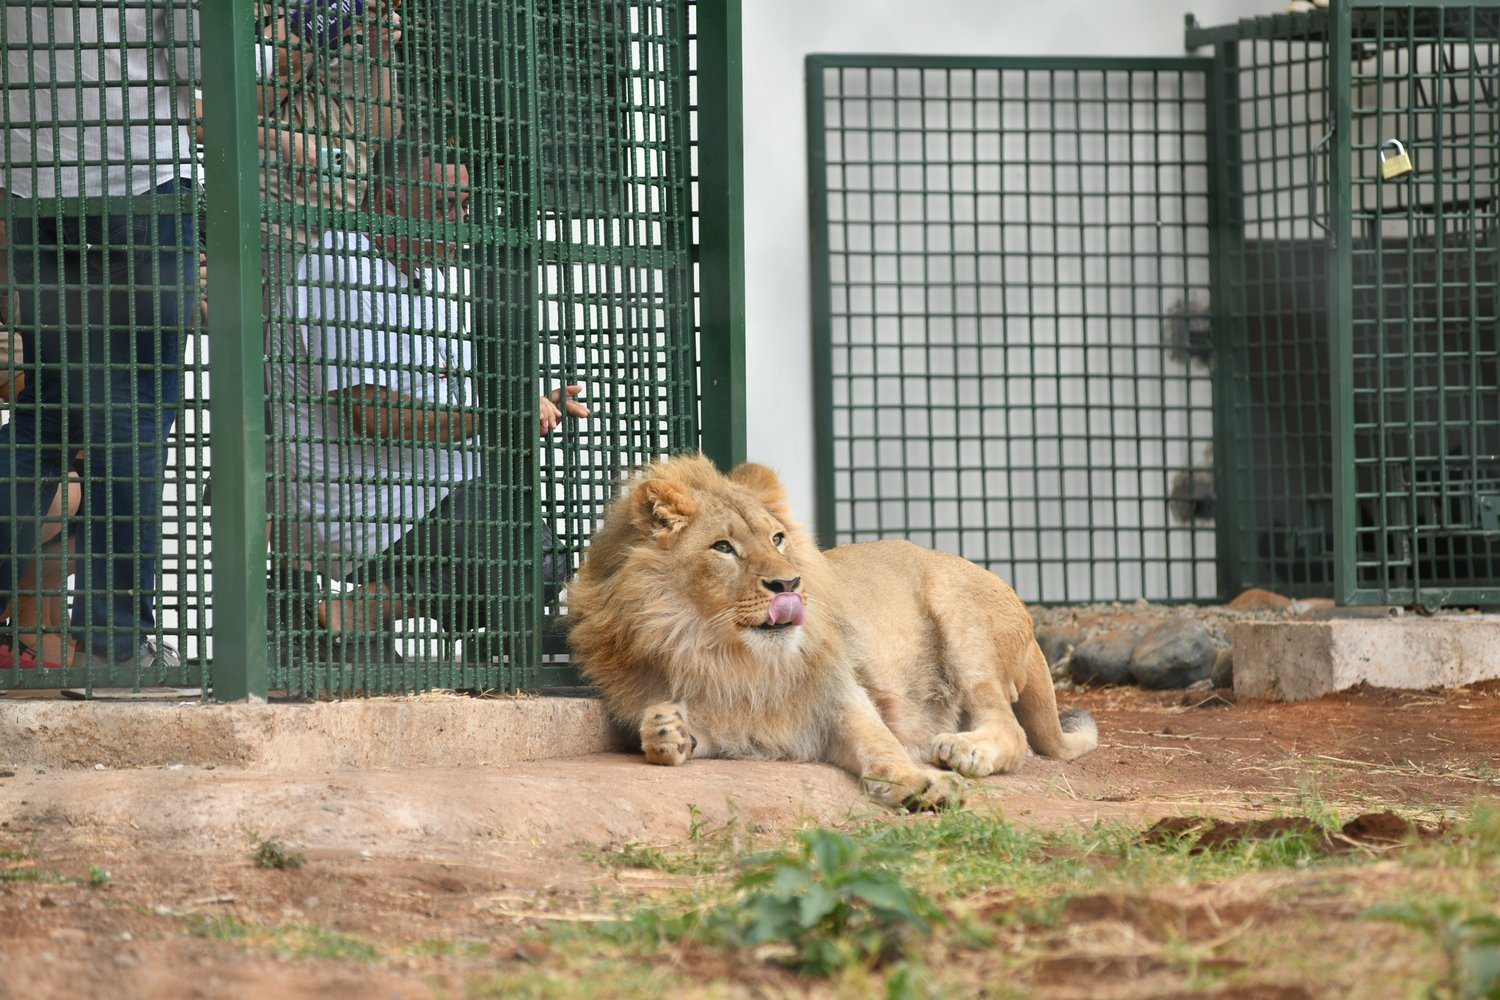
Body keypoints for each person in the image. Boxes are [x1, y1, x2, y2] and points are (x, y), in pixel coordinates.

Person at [268, 136, 588, 658]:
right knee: (532, 558)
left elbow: (458, 393)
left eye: (465, 206)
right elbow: (369, 413)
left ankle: (354, 618)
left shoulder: (428, 274)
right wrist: (497, 416)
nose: (461, 220)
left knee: (543, 554)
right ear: (390, 202)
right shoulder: (342, 266)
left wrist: (529, 402)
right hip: (363, 502)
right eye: (445, 206)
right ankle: (351, 616)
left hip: (427, 490)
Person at [0, 2, 201, 671]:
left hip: (34, 189)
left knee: (44, 417)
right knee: (136, 413)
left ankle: (109, 639)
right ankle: (116, 644)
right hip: (138, 183)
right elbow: (205, 60)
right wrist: (277, 47)